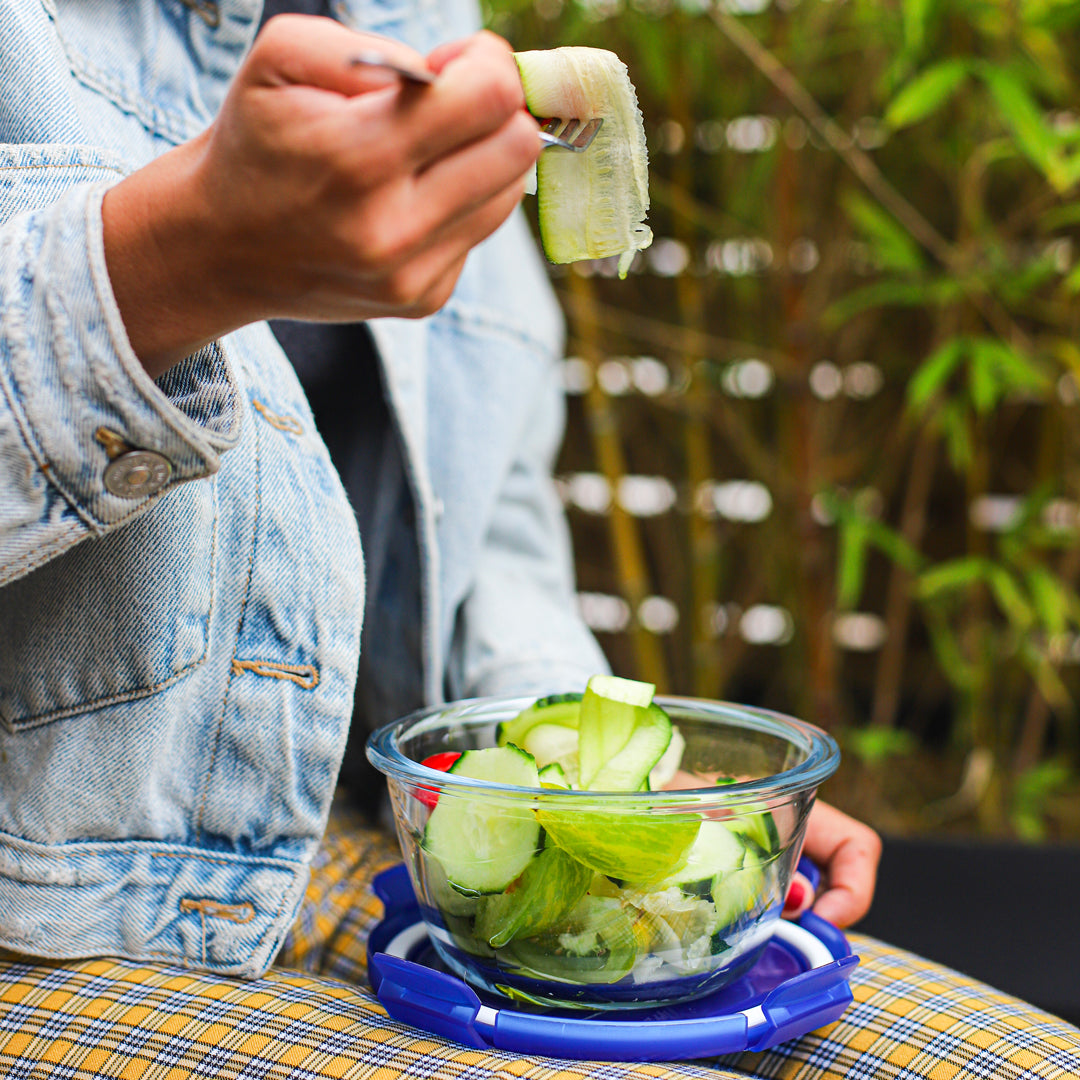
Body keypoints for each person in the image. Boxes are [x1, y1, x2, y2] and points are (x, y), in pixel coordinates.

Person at [0, 3, 1075, 1078]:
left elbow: (491, 533)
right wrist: (175, 259)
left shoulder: (426, 22)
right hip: (40, 910)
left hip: (370, 851)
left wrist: (615, 801)